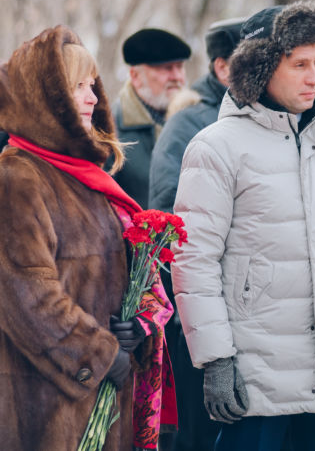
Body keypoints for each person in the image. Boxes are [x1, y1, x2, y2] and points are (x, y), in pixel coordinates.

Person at [171, 0, 315, 451]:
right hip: (255, 376)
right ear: (262, 66)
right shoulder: (215, 148)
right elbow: (194, 262)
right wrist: (216, 360)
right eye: (299, 65)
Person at [0, 26, 175, 450]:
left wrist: (135, 327)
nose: (93, 97)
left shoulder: (85, 175)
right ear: (46, 96)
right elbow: (28, 295)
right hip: (46, 404)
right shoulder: (17, 176)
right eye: (76, 86)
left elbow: (114, 271)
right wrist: (95, 355)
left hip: (101, 396)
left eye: (91, 84)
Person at [149, 16, 244, 451]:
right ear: (223, 68)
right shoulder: (187, 126)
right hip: (203, 307)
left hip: (257, 311)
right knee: (202, 430)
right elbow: (175, 221)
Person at [111, 27, 191, 207]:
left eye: (180, 67)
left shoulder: (196, 120)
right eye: (166, 69)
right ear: (135, 76)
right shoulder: (110, 131)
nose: (177, 77)